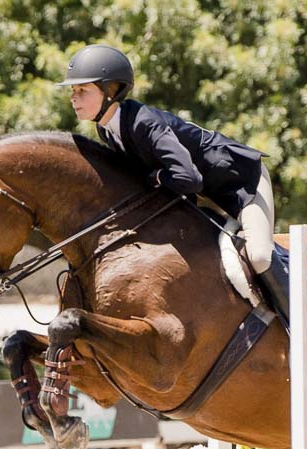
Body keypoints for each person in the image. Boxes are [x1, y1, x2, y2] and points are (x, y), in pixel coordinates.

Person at [58, 44, 289, 327]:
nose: (73, 98)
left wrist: (155, 178)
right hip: (208, 193)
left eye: (82, 91)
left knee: (260, 256)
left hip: (242, 183)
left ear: (110, 91)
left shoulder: (145, 123)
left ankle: (300, 326)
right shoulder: (107, 129)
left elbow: (189, 178)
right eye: (73, 91)